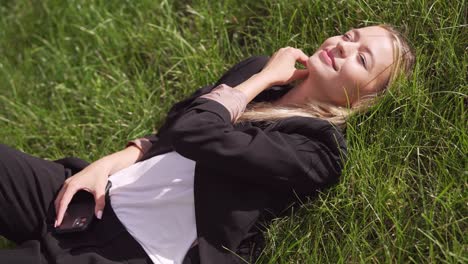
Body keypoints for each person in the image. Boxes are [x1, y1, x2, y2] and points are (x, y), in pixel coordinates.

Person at [0, 25, 415, 264]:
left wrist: (260, 81)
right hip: (93, 195)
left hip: (127, 251)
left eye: (362, 59)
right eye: (350, 34)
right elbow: (177, 123)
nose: (344, 45)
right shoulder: (259, 71)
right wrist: (111, 161)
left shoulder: (317, 153)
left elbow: (196, 132)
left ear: (364, 100)